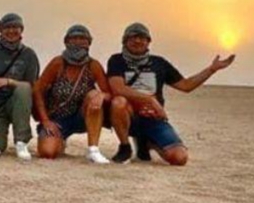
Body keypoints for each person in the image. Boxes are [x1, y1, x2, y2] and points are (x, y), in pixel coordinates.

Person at [107, 22, 235, 165]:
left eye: (142, 37)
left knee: (179, 158)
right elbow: (118, 89)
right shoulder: (117, 60)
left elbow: (186, 85)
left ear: (148, 42)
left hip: (153, 118)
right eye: (133, 37)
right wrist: (150, 100)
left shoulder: (159, 63)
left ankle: (148, 142)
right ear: (125, 41)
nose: (137, 41)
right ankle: (125, 147)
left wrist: (211, 70)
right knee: (118, 102)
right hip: (128, 116)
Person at [33, 25, 112, 164]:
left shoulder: (93, 65)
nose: (78, 42)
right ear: (66, 41)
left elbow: (109, 93)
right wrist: (45, 121)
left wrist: (101, 96)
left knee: (93, 94)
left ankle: (93, 150)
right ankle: (60, 141)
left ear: (89, 42)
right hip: (57, 119)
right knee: (48, 152)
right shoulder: (58, 63)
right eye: (74, 38)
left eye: (82, 38)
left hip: (82, 117)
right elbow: (37, 89)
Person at [0, 12, 40, 160]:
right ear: (0, 29)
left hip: (18, 103)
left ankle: (21, 142)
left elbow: (32, 85)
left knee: (23, 89)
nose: (11, 31)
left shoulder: (29, 54)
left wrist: (9, 82)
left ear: (21, 30)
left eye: (15, 27)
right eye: (7, 27)